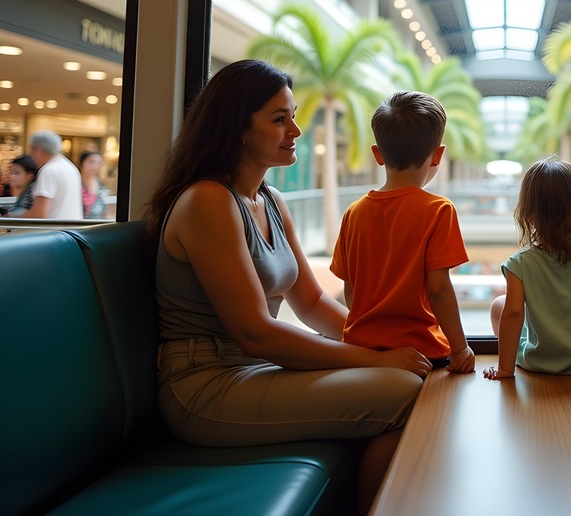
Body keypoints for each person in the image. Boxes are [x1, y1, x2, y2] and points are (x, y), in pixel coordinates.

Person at [147, 60, 429, 516]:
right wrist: (376, 358)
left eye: (293, 115)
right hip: (205, 385)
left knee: (407, 381)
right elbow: (256, 332)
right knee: (404, 390)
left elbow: (314, 302)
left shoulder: (271, 200)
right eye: (280, 119)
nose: (296, 129)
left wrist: (382, 342)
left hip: (254, 370)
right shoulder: (208, 201)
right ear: (236, 129)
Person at [331, 91, 475, 374]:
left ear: (377, 154)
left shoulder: (354, 212)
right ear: (438, 155)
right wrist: (460, 349)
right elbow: (439, 289)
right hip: (423, 355)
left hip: (363, 354)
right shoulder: (438, 210)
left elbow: (351, 290)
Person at [483, 157, 571, 380]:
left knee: (498, 306)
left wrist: (505, 369)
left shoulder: (520, 264)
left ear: (527, 212)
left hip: (538, 362)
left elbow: (512, 314)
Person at [17, 130, 84, 219]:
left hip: (54, 231)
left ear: (39, 150)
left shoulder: (48, 171)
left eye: (31, 150)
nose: (31, 155)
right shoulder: (71, 168)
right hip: (72, 230)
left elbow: (39, 214)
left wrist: (11, 218)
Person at [79, 150, 110, 218]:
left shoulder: (102, 186)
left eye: (99, 163)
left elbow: (105, 211)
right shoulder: (75, 184)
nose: (95, 166)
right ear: (82, 163)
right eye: (92, 162)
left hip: (98, 226)